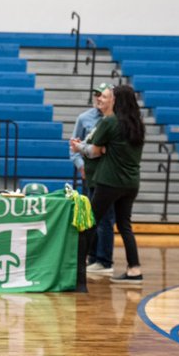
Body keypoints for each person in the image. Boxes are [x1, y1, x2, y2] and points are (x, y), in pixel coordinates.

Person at [71, 85, 145, 284]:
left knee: (90, 222)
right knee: (124, 226)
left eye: (111, 97)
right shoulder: (138, 124)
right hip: (131, 182)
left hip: (110, 181)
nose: (109, 99)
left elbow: (94, 150)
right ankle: (134, 269)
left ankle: (76, 269)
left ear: (117, 100)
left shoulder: (110, 122)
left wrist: (78, 147)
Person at [70, 83, 116, 274]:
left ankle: (105, 259)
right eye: (96, 94)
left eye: (102, 95)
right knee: (89, 216)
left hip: (106, 175)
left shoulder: (113, 120)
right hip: (89, 174)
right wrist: (81, 166)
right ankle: (92, 257)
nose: (98, 98)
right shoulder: (84, 118)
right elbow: (73, 146)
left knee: (106, 218)